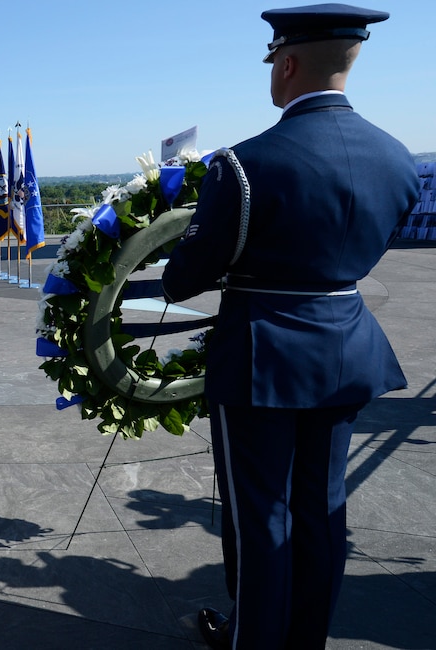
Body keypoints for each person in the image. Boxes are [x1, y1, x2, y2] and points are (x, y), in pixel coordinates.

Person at [160, 6, 419, 649]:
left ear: (288, 62)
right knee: (323, 512)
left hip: (263, 355)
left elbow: (183, 278)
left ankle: (253, 642)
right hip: (347, 347)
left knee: (261, 517)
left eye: (274, 59)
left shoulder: (245, 165)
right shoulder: (398, 159)